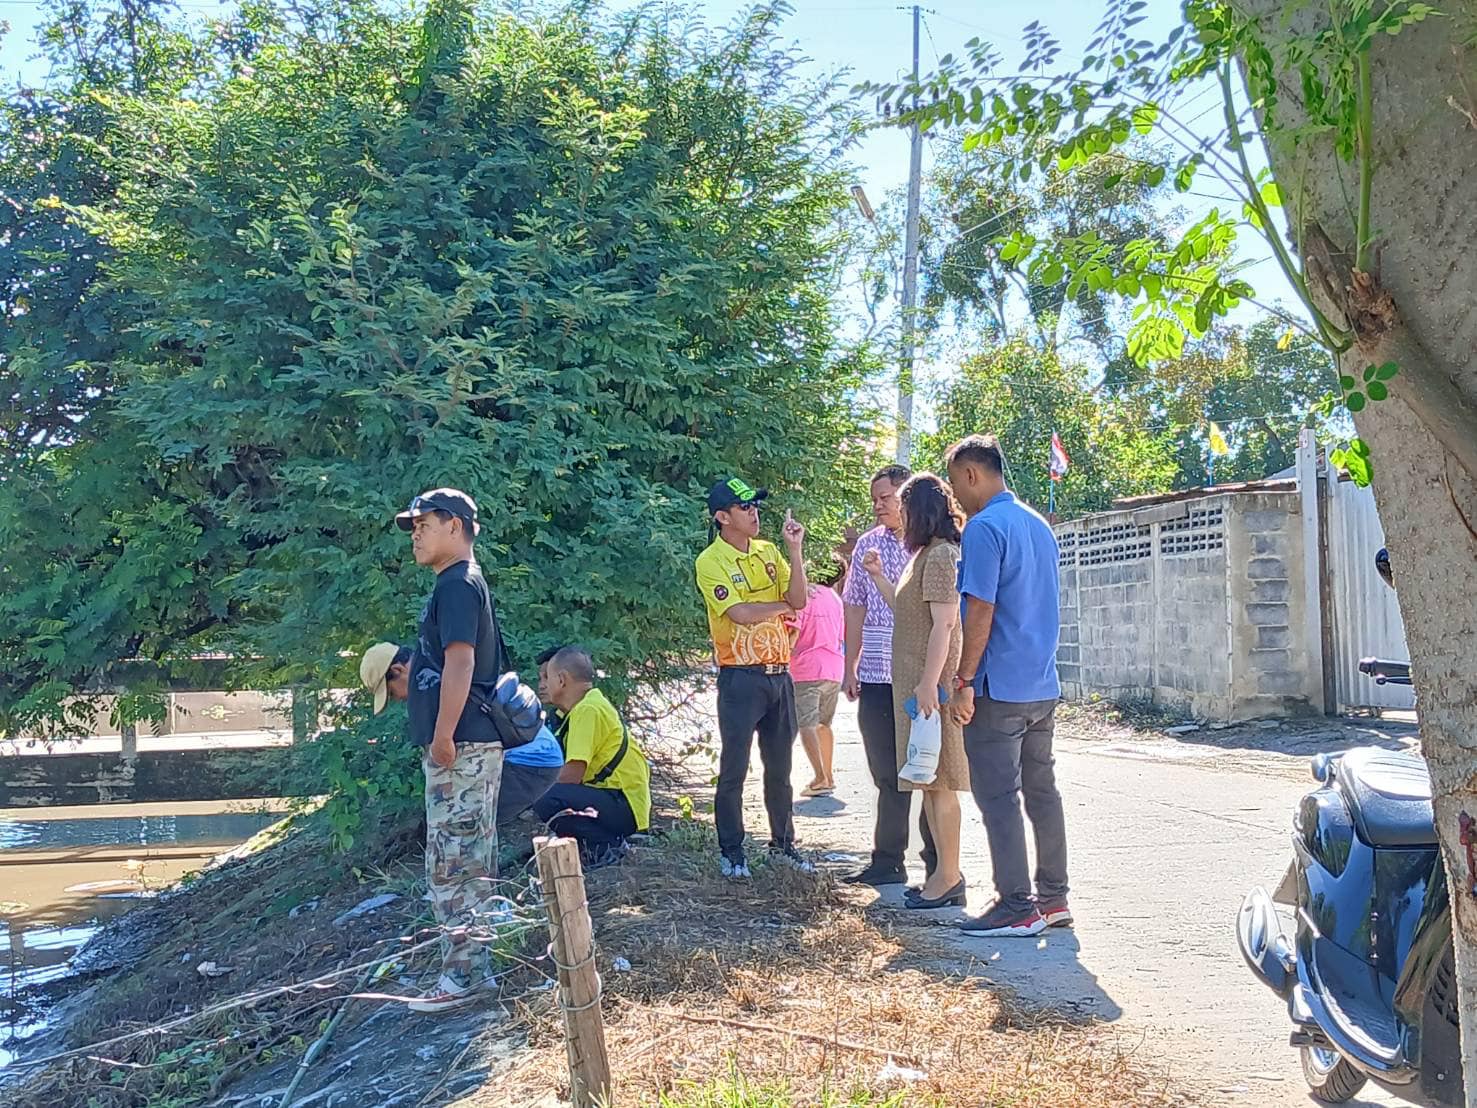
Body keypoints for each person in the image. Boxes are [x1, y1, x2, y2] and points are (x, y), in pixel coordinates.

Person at [390, 488, 514, 1011]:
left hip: (462, 744)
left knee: (454, 863)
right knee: (465, 860)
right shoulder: (454, 585)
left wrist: (442, 736)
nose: (415, 533)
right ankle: (470, 972)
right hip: (464, 744)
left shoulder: (459, 584)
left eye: (424, 522)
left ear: (456, 526)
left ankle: (461, 979)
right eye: (413, 525)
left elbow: (461, 664)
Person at [945, 436, 1071, 938]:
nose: (956, 498)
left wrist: (964, 680)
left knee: (998, 796)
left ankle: (1017, 904)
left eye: (956, 485)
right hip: (1041, 682)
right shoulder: (1038, 524)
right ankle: (1054, 898)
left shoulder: (984, 528)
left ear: (973, 474)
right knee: (1043, 791)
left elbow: (980, 608)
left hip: (998, 686)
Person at [694, 476, 814, 879]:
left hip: (780, 675)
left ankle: (784, 846)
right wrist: (780, 605)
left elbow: (800, 600)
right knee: (735, 768)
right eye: (745, 508)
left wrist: (795, 551)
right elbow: (740, 614)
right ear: (722, 517)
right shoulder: (711, 561)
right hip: (740, 677)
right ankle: (732, 852)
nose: (754, 513)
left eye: (755, 506)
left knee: (780, 770)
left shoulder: (768, 551)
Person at [862, 474, 968, 910]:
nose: (897, 515)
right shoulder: (920, 556)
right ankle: (941, 876)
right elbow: (909, 614)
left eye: (903, 506)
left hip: (930, 690)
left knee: (941, 781)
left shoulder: (942, 555)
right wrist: (878, 577)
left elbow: (944, 623)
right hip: (913, 687)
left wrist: (930, 683)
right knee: (927, 782)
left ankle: (948, 876)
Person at [841, 465, 937, 888]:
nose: (878, 505)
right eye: (874, 498)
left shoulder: (931, 545)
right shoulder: (868, 545)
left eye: (886, 497)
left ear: (907, 496)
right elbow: (855, 608)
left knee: (930, 770)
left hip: (919, 672)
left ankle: (938, 862)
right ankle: (887, 859)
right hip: (878, 672)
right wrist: (850, 665)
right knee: (887, 771)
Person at [359, 642, 564, 829]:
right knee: (471, 817)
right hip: (533, 755)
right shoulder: (437, 668)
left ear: (398, 670)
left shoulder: (431, 687)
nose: (398, 699)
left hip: (531, 762)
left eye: (392, 693)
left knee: (466, 819)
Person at [532, 646, 651, 865]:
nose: (542, 684)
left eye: (546, 677)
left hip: (623, 803)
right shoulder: (577, 710)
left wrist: (527, 789)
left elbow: (572, 774)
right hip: (617, 799)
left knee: (545, 797)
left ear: (562, 680)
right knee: (547, 794)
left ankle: (604, 847)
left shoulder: (587, 710)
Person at [788, 562, 845, 797]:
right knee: (824, 724)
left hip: (806, 668)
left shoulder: (806, 596)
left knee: (807, 723)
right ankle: (829, 775)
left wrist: (783, 654)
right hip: (833, 668)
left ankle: (819, 776)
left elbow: (794, 631)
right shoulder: (835, 599)